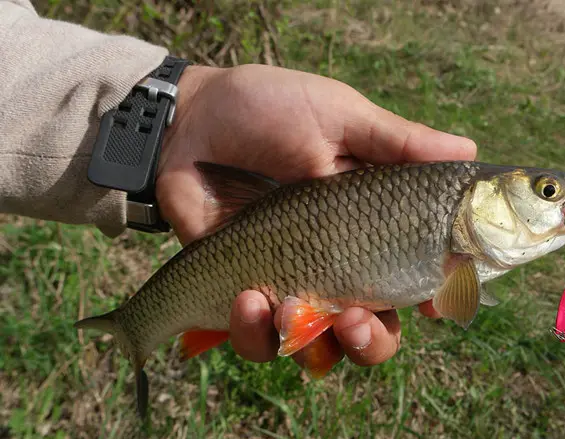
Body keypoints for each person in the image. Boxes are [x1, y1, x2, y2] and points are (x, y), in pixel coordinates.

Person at [0, 1, 477, 373]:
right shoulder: (456, 226)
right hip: (255, 234)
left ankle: (148, 322)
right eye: (547, 193)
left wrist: (175, 121)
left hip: (265, 239)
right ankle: (137, 325)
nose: (555, 205)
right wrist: (176, 123)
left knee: (308, 323)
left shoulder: (463, 255)